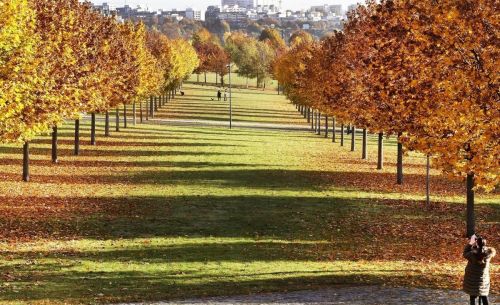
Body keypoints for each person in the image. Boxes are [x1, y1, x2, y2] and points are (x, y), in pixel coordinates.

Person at [463, 234, 496, 305]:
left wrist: (471, 243)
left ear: (476, 243)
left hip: (472, 281)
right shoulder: (488, 254)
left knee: (472, 297)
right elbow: (482, 250)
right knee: (484, 296)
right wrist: (479, 244)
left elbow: (465, 253)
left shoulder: (472, 254)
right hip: (483, 280)